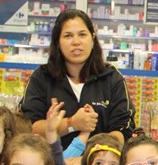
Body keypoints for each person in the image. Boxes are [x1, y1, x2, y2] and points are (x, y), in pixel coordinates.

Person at [20, 8, 136, 148]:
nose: (76, 42)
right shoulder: (41, 78)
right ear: (57, 42)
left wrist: (89, 159)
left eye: (82, 34)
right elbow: (27, 127)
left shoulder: (111, 78)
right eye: (68, 36)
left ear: (92, 38)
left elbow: (123, 129)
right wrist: (71, 123)